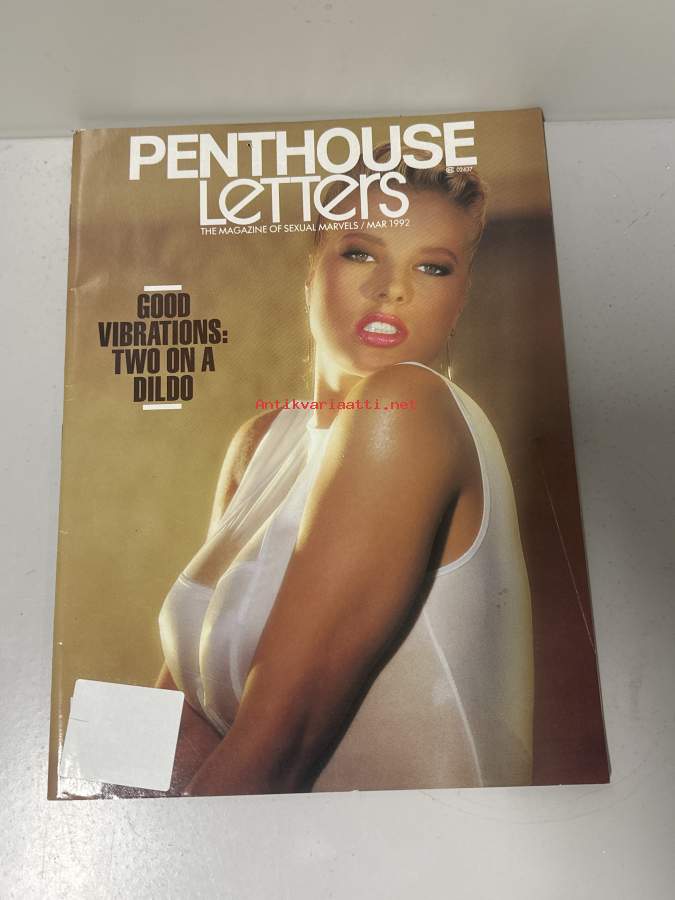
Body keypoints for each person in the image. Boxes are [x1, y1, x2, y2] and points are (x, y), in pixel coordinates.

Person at [156, 148, 534, 796]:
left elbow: (277, 747)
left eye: (432, 266)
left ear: (460, 297)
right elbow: (182, 705)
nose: (392, 288)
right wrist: (81, 808)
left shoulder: (411, 410)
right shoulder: (263, 442)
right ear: (311, 271)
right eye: (361, 252)